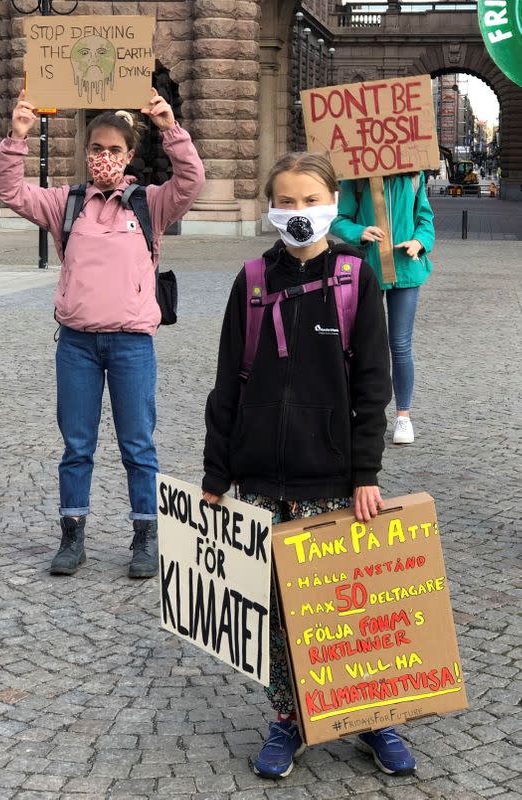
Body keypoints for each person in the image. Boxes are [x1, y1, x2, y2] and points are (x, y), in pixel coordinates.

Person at [201, 152, 416, 779]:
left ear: (332, 204)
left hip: (332, 475)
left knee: (347, 607)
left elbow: (372, 384)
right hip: (262, 476)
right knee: (274, 609)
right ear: (271, 207)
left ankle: (371, 716)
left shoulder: (356, 277)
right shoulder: (252, 280)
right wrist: (217, 475)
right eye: (287, 201)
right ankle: (287, 719)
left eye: (310, 200)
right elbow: (227, 385)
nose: (298, 213)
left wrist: (366, 474)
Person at [0, 89, 205, 578]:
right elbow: (10, 190)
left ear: (129, 156)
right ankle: (73, 536)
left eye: (114, 150)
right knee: (77, 443)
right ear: (85, 153)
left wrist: (171, 128)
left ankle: (145, 537)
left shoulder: (151, 203)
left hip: (132, 343)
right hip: (77, 344)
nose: (104, 157)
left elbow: (191, 180)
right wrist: (17, 136)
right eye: (96, 149)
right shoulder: (65, 203)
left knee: (137, 444)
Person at [330, 173, 435, 444]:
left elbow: (425, 217)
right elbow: (339, 219)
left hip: (406, 269)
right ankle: (363, 414)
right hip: (368, 269)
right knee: (364, 344)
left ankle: (403, 416)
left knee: (400, 343)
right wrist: (358, 232)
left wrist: (419, 242)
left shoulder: (414, 176)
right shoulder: (356, 177)